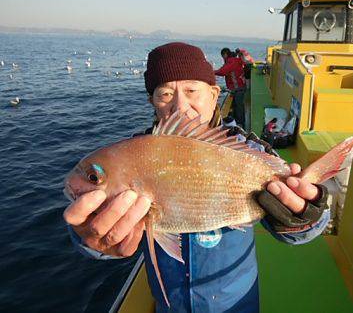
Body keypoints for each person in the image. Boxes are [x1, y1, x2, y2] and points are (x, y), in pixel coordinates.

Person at [63, 42, 330, 313]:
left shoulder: (249, 150)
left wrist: (307, 216)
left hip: (236, 304)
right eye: (165, 94)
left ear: (214, 95)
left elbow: (299, 230)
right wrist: (89, 238)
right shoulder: (133, 153)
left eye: (192, 90)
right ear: (152, 101)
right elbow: (91, 236)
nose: (181, 106)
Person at [214, 48, 247, 127]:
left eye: (222, 56)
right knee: (237, 107)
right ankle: (237, 122)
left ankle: (240, 124)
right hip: (239, 87)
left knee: (239, 107)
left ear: (225, 54)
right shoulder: (235, 60)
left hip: (238, 88)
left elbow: (222, 71)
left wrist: (211, 71)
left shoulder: (231, 61)